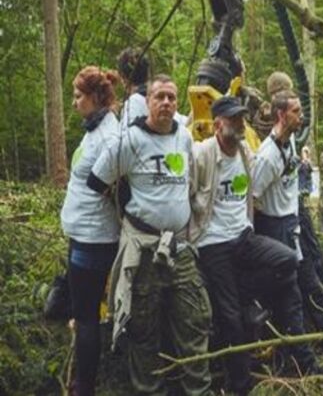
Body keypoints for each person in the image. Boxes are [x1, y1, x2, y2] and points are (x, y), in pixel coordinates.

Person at [87, 75, 212, 395]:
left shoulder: (183, 138)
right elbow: (97, 182)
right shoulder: (129, 141)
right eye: (160, 97)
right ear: (148, 102)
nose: (167, 103)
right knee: (144, 332)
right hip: (143, 250)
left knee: (194, 324)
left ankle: (198, 390)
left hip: (179, 247)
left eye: (172, 97)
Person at [190, 96, 321, 393]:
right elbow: (184, 193)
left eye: (242, 119)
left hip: (243, 237)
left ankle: (248, 297)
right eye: (234, 120)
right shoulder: (203, 156)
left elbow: (253, 193)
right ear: (218, 124)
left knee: (287, 260)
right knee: (231, 319)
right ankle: (241, 385)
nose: (240, 125)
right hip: (213, 244)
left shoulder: (246, 153)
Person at [251, 90, 323, 355]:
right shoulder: (267, 156)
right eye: (296, 112)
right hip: (276, 230)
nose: (301, 117)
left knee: (312, 287)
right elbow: (253, 197)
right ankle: (300, 357)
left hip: (293, 225)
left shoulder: (289, 142)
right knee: (289, 296)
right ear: (281, 115)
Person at [60, 66, 121, 396]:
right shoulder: (95, 129)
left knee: (86, 317)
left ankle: (85, 387)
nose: (74, 103)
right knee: (81, 313)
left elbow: (108, 187)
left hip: (94, 239)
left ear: (97, 97)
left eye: (79, 96)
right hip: (81, 234)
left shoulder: (110, 137)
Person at [117, 47, 188, 127]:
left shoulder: (132, 105)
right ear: (148, 73)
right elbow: (184, 123)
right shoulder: (167, 103)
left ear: (123, 78)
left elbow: (125, 136)